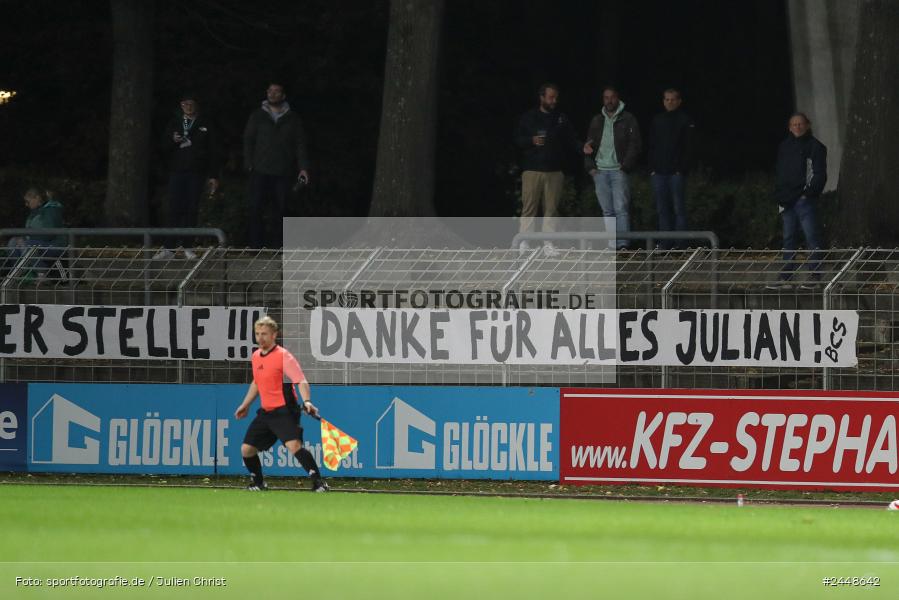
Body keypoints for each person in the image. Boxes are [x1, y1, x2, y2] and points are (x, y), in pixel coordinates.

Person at [235, 316, 329, 492]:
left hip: (285, 410)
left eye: (264, 334)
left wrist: (307, 401)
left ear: (274, 335)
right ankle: (258, 483)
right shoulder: (256, 356)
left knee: (294, 447)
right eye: (257, 334)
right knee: (246, 450)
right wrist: (245, 404)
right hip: (266, 412)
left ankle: (319, 483)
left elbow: (300, 380)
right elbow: (257, 382)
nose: (260, 338)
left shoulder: (283, 356)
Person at [515, 83, 582, 255]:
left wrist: (582, 148)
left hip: (555, 171)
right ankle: (525, 242)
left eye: (556, 98)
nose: (554, 101)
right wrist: (531, 140)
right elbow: (518, 140)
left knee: (551, 209)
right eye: (551, 97)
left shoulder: (560, 118)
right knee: (529, 207)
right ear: (542, 97)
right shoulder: (529, 117)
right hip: (532, 169)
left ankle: (548, 243)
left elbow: (571, 139)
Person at [243, 82, 311, 248]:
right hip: (259, 170)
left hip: (282, 171)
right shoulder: (258, 115)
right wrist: (249, 163)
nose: (272, 94)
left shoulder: (293, 118)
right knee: (255, 208)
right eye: (270, 91)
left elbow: (300, 144)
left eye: (276, 91)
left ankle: (277, 247)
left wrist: (303, 168)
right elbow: (248, 140)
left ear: (283, 95)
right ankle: (255, 247)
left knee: (280, 210)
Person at [155, 92, 220, 260]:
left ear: (196, 105)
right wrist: (173, 140)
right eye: (185, 104)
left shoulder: (205, 123)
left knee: (191, 209)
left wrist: (213, 175)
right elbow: (163, 147)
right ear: (181, 106)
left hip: (197, 172)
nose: (188, 107)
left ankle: (188, 246)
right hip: (177, 171)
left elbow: (214, 150)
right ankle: (168, 248)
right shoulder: (175, 122)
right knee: (174, 209)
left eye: (191, 103)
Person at [583, 86, 641, 249]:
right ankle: (612, 243)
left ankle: (622, 244)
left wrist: (625, 166)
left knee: (621, 208)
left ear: (617, 98)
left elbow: (635, 144)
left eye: (612, 97)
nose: (609, 100)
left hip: (618, 170)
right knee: (607, 210)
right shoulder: (597, 120)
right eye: (606, 98)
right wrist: (591, 168)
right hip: (600, 171)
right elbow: (588, 144)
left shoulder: (628, 118)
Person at [773, 112, 827, 286]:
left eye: (800, 124)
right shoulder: (784, 147)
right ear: (789, 127)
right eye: (794, 124)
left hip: (804, 200)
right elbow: (780, 173)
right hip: (787, 200)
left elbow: (819, 174)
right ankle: (786, 276)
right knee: (788, 238)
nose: (797, 127)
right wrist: (780, 196)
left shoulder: (815, 146)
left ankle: (815, 276)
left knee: (811, 236)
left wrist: (808, 194)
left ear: (807, 125)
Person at [648, 88, 695, 249]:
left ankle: (680, 245)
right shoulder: (657, 119)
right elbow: (652, 145)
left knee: (678, 208)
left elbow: (689, 147)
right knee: (662, 209)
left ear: (679, 101)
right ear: (663, 101)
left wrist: (681, 169)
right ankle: (665, 243)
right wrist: (652, 169)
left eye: (673, 99)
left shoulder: (685, 120)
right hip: (659, 172)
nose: (670, 102)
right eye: (667, 99)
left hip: (676, 173)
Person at [3, 188, 66, 278]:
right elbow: (30, 231)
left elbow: (49, 234)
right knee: (13, 242)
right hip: (38, 243)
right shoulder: (34, 213)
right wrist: (23, 238)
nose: (26, 204)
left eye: (28, 201)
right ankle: (18, 274)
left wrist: (26, 239)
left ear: (37, 198)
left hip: (54, 244)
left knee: (27, 245)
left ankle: (42, 273)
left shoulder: (51, 210)